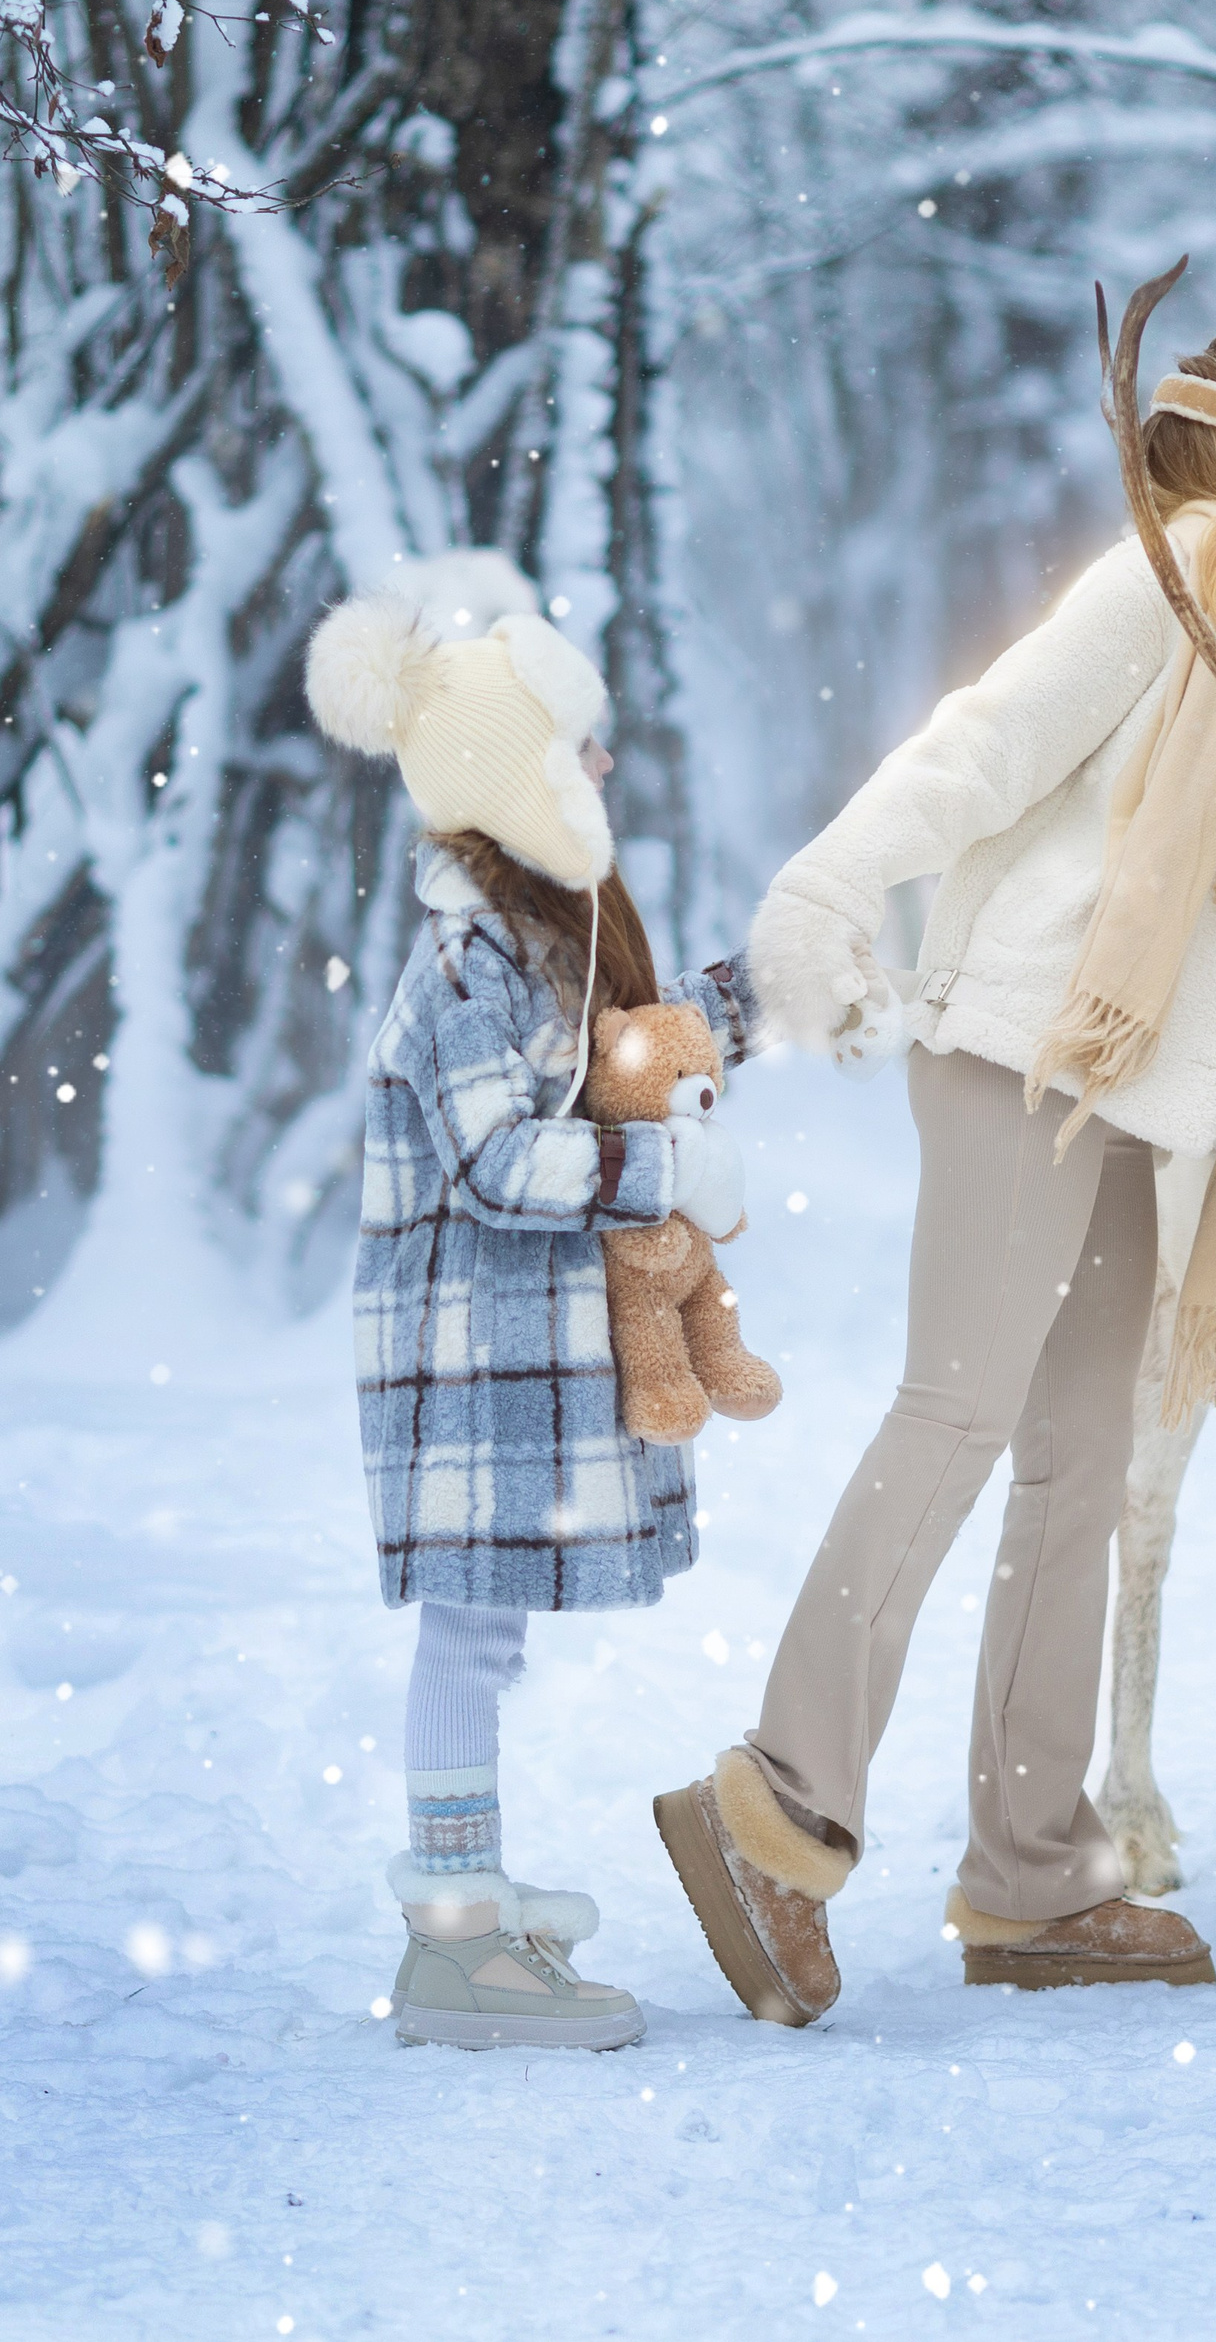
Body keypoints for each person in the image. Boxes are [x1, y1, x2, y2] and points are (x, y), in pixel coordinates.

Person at [653, 332, 1216, 2017]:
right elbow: (984, 744)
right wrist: (826, 895)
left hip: (1125, 1099)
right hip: (1016, 1047)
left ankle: (1034, 1880)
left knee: (1076, 1462)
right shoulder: (1181, 580)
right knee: (959, 1415)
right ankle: (771, 1810)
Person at [306, 551, 759, 2048]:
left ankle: (473, 1902)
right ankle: (450, 1939)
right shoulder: (463, 965)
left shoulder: (538, 944)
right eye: (577, 746)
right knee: (465, 1632)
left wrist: (753, 1001)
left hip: (506, 1362)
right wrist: (663, 1173)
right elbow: (505, 1158)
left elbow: (622, 1063)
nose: (605, 765)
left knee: (481, 1634)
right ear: (510, 781)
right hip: (467, 1361)